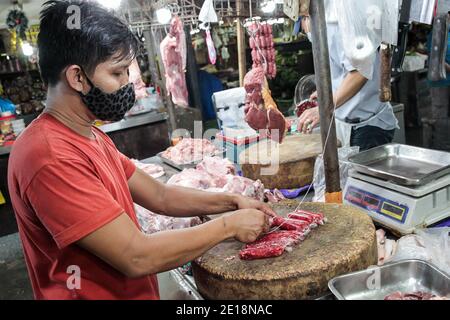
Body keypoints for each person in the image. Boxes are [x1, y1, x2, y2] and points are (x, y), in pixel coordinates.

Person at [7, 0, 274, 300]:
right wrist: (228, 226)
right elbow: (136, 255)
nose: (128, 84)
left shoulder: (88, 134)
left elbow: (162, 196)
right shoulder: (48, 156)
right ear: (77, 77)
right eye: (117, 74)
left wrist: (231, 201)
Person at [298, 2, 399, 151]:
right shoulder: (323, 26)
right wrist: (329, 89)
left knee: (359, 175)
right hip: (346, 123)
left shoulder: (339, 23)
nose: (305, 32)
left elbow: (359, 73)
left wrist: (324, 108)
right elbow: (342, 68)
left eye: (303, 24)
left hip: (368, 127)